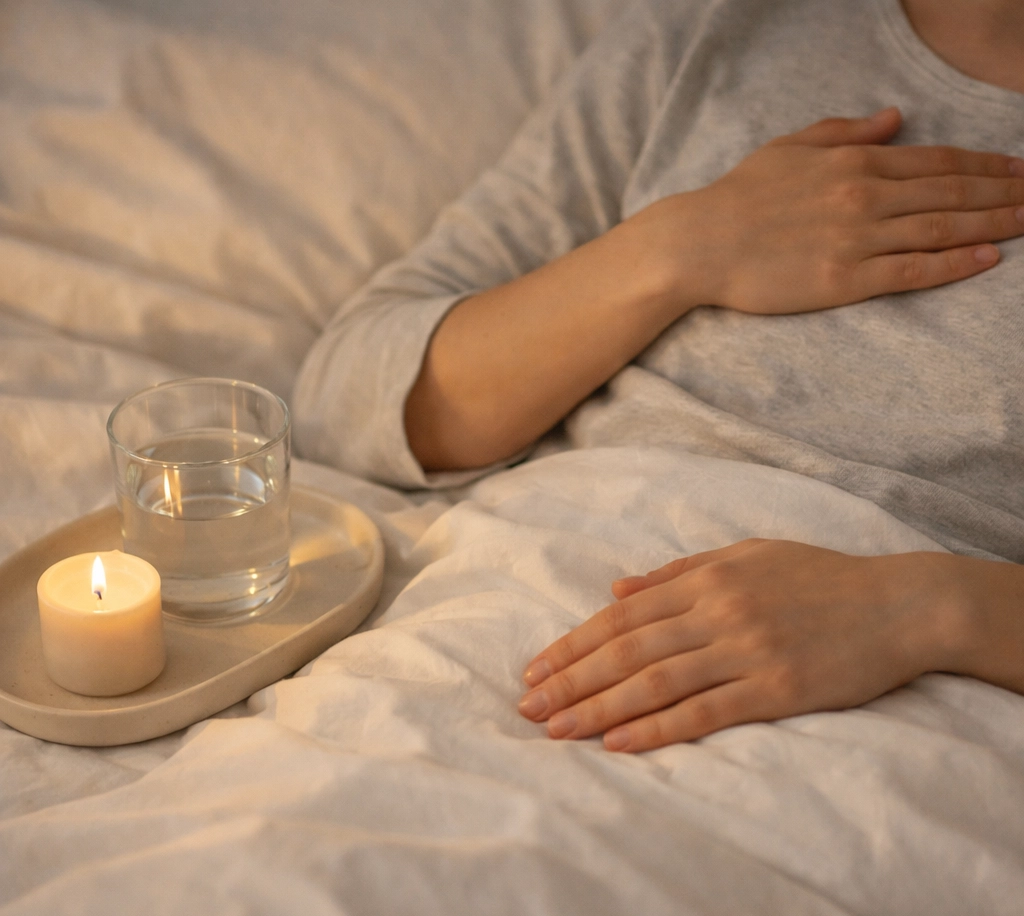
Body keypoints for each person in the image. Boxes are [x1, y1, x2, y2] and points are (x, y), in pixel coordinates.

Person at [294, 0, 1024, 752]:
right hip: (499, 623)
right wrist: (682, 247)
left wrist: (931, 608)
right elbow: (347, 404)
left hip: (878, 719)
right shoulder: (716, 31)